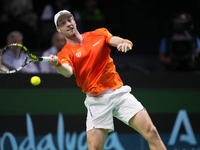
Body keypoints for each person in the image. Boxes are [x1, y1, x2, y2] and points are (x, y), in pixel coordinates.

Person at [48, 10, 167, 150]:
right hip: (97, 101)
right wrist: (57, 64)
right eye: (63, 23)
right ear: (58, 29)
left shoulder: (98, 34)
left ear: (74, 21)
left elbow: (118, 41)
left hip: (120, 94)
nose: (68, 24)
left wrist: (124, 43)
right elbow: (67, 71)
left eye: (69, 20)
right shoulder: (65, 53)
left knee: (152, 132)